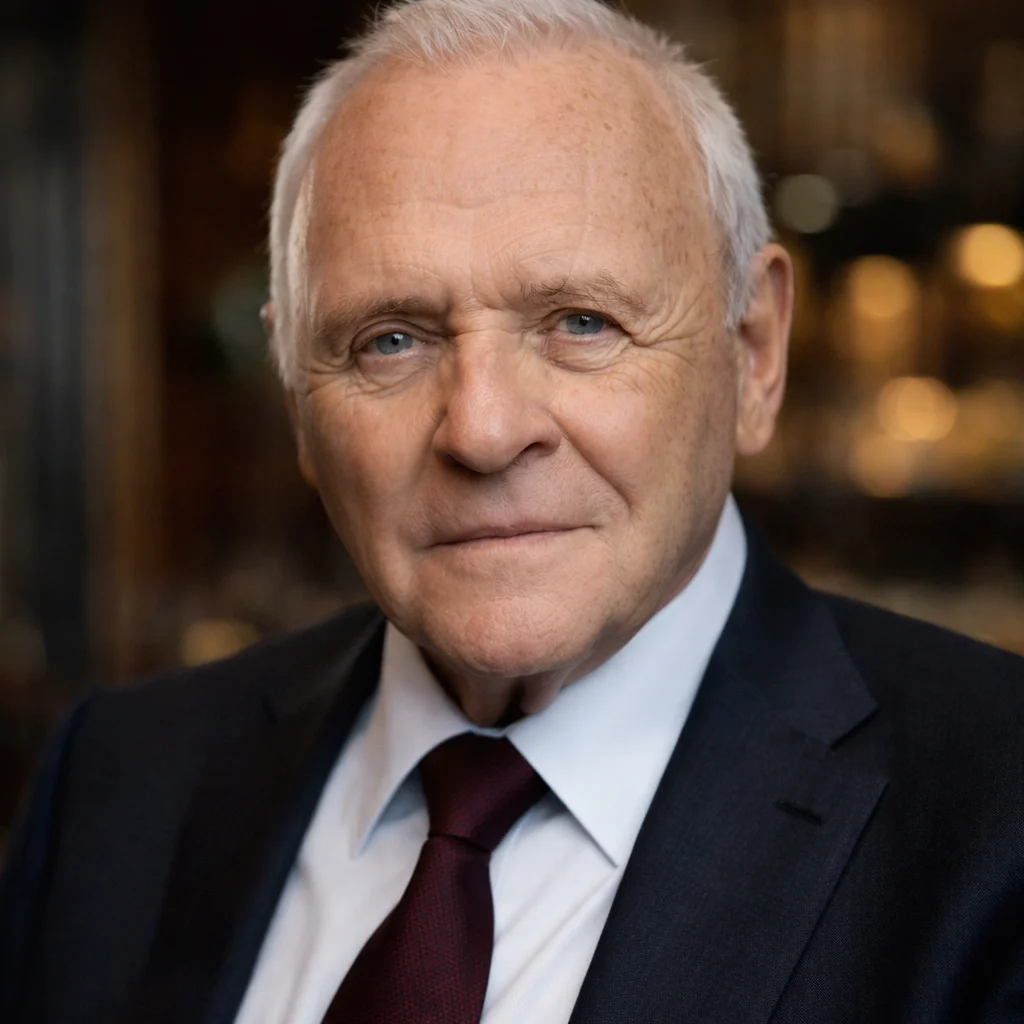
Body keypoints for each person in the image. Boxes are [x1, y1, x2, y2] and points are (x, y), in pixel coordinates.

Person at [2, 0, 1024, 1021]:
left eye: (581, 322)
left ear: (753, 354)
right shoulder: (119, 782)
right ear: (295, 401)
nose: (483, 431)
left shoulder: (994, 812)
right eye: (390, 341)